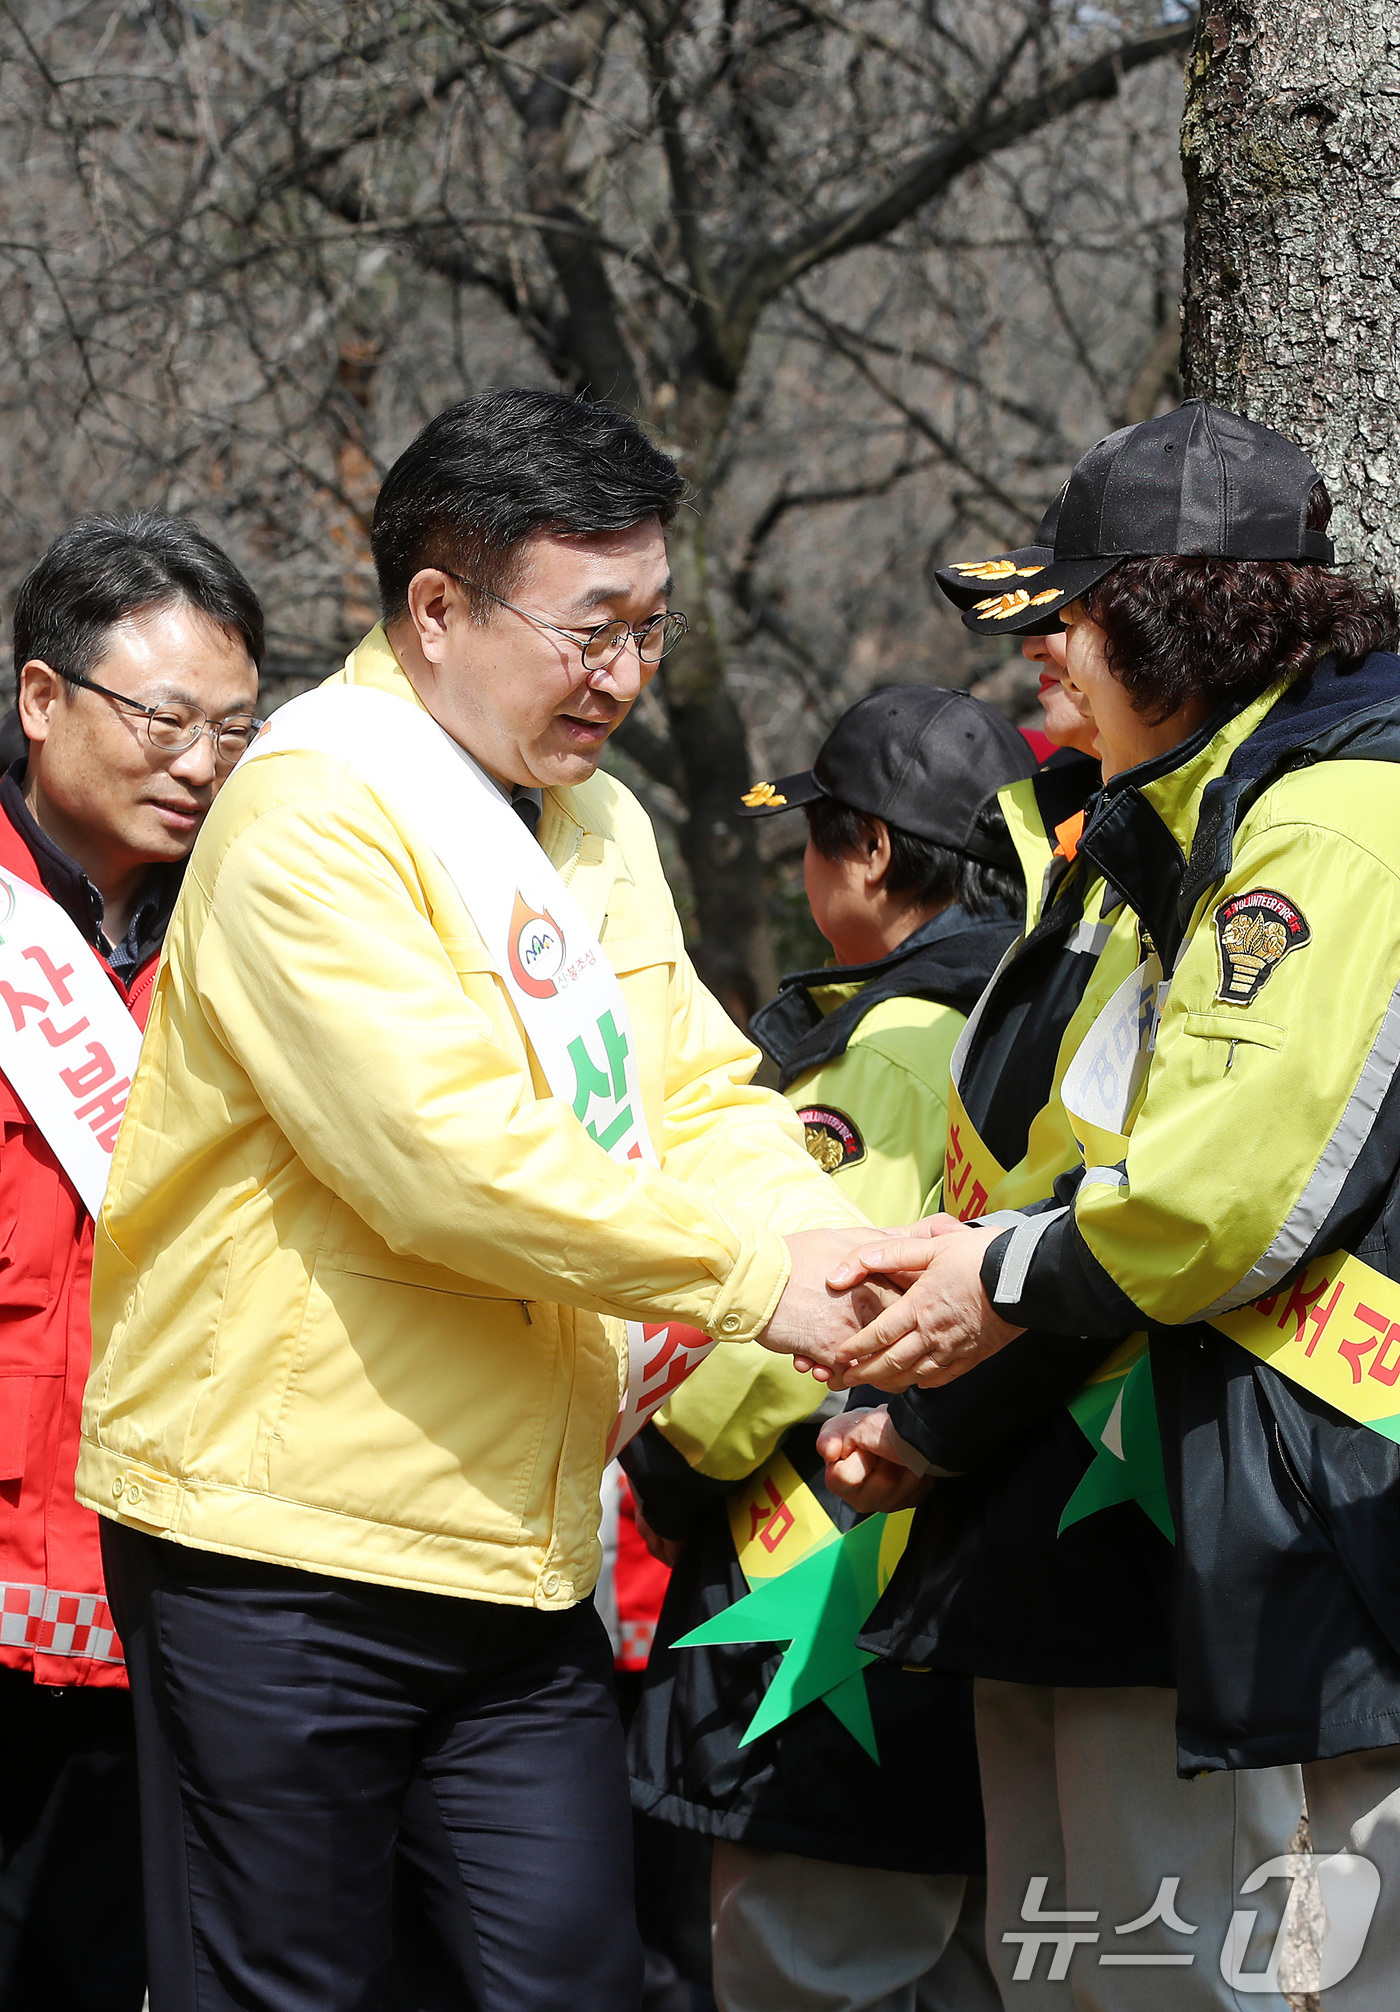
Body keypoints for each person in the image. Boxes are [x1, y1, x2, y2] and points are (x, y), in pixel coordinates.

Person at [76, 388, 878, 2012]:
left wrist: (845, 1265)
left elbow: (698, 1095)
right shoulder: (313, 809)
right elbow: (446, 1163)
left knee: (567, 1981)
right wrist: (755, 1284)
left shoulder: (596, 824)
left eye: (651, 629)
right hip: (282, 1548)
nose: (627, 677)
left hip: (517, 1556)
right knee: (284, 1991)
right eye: (591, 630)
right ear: (435, 609)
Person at [823, 399, 1400, 2007]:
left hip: (1310, 1510)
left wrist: (991, 1275)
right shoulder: (1194, 819)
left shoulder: (1328, 823)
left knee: (1286, 1966)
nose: (1040, 653)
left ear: (1170, 616)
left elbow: (1213, 1192)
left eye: (1069, 615)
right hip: (1200, 1498)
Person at [625, 687, 1034, 2012]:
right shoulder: (1033, 1011)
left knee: (808, 1965)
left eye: (814, 839)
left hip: (820, 1577)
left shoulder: (887, 1046)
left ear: (867, 851)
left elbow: (805, 1297)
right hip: (990, 1563)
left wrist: (670, 1466)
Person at [0, 515, 263, 2011]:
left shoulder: (258, 940)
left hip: (148, 1585)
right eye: (162, 718)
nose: (201, 762)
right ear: (44, 701)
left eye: (233, 727)